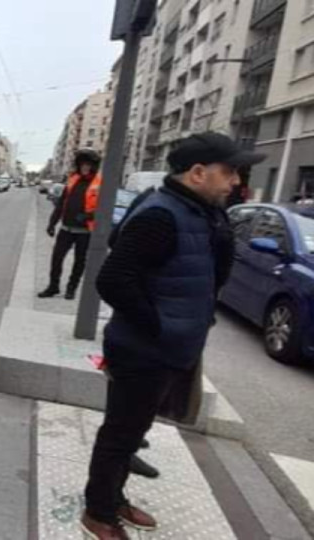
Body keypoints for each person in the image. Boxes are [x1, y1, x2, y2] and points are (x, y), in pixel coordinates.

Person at [80, 132, 264, 540]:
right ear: (198, 173)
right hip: (146, 349)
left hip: (168, 346)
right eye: (228, 171)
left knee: (132, 432)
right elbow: (113, 279)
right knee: (120, 434)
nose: (235, 180)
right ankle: (98, 511)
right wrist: (160, 325)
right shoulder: (163, 214)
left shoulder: (198, 209)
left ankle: (113, 497)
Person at [40, 149, 103, 300]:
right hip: (66, 228)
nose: (85, 167)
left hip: (85, 231)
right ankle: (53, 286)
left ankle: (71, 289)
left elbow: (104, 208)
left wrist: (88, 215)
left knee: (79, 262)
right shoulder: (73, 179)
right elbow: (61, 203)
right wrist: (52, 223)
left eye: (88, 165)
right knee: (56, 258)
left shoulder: (99, 183)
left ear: (93, 166)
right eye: (82, 164)